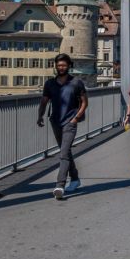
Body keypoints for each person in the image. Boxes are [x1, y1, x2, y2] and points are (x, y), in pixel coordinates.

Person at [37, 54, 88, 200]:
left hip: (70, 122)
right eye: (59, 65)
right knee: (65, 151)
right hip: (55, 121)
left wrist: (76, 118)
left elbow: (85, 102)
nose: (61, 68)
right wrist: (40, 116)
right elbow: (44, 101)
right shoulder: (50, 84)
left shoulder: (77, 82)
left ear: (69, 66)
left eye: (64, 65)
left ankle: (60, 185)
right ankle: (76, 179)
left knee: (64, 153)